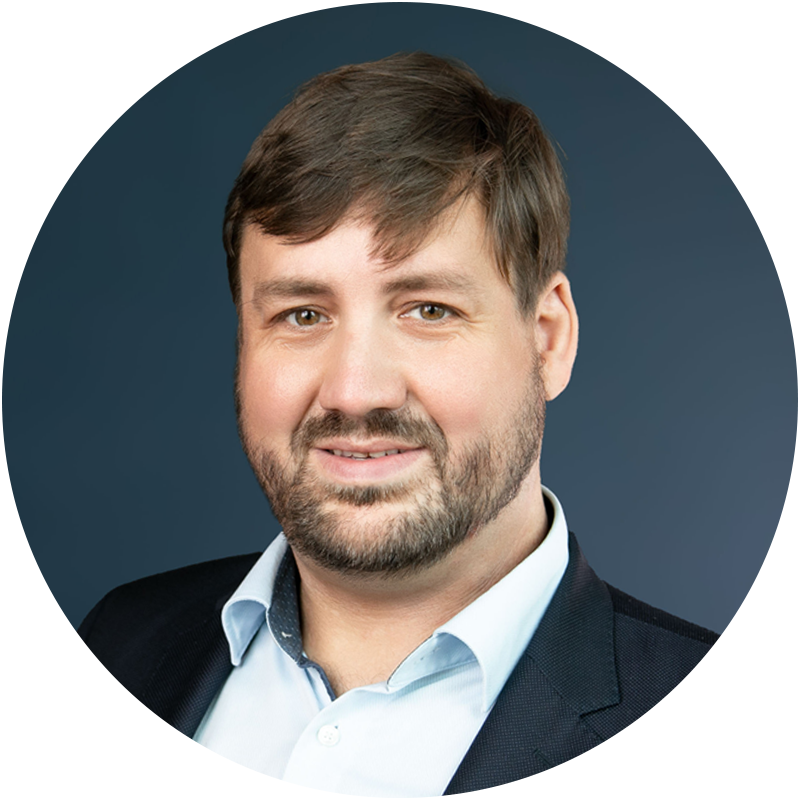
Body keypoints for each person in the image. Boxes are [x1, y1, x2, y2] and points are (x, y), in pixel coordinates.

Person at [23, 52, 796, 799]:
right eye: (302, 314)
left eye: (429, 310)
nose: (355, 391)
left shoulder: (767, 753)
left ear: (548, 338)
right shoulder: (121, 654)